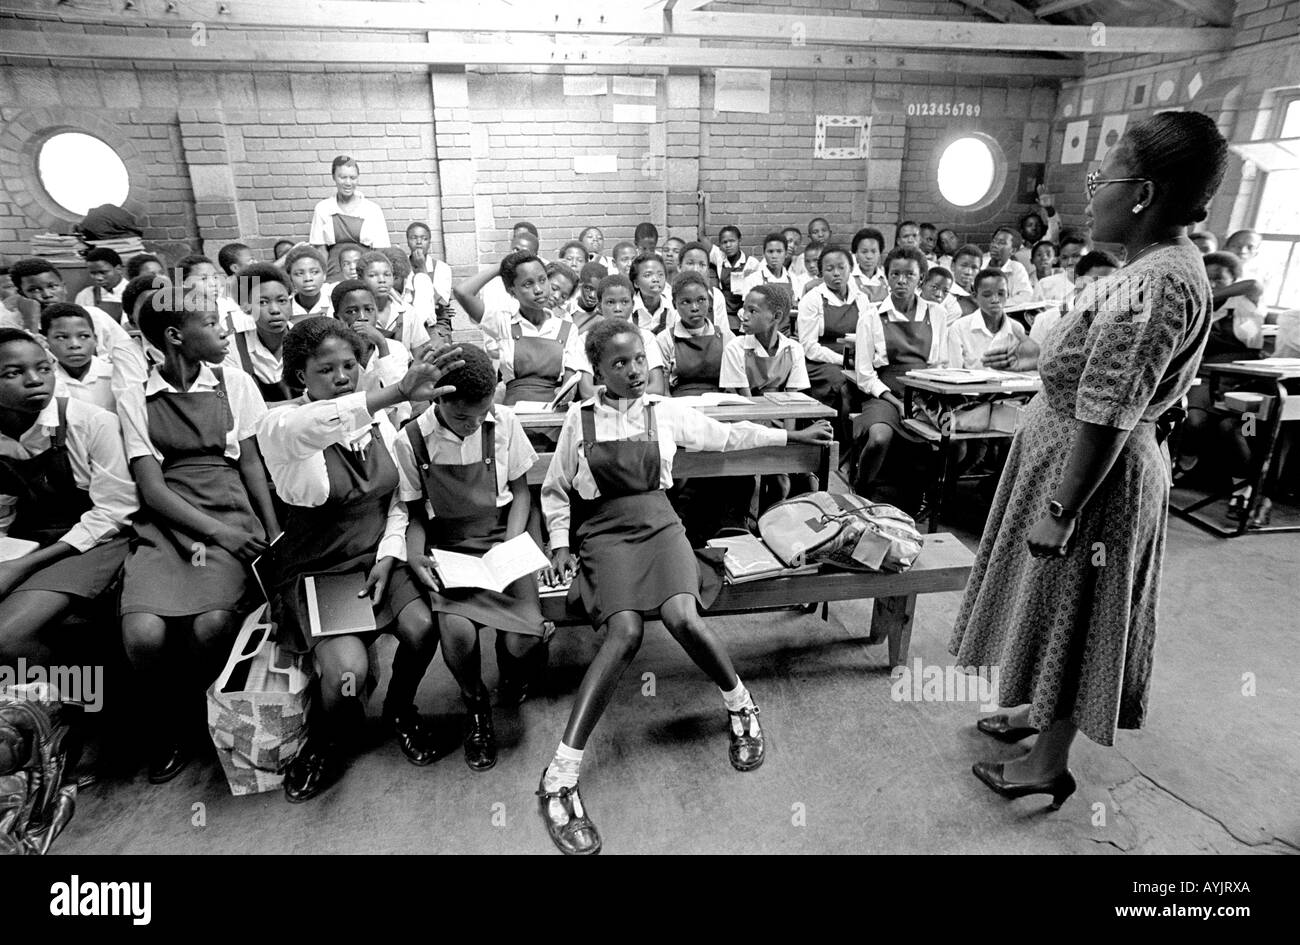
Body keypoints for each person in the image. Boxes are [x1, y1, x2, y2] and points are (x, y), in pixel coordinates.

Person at [952, 111, 1226, 810]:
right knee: (1045, 601)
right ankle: (1034, 711)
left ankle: (1047, 761)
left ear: (1143, 194)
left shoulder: (1158, 279)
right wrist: (1035, 355)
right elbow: (1096, 364)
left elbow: (1110, 409)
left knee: (1076, 612)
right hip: (1067, 463)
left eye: (1105, 176)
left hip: (1094, 483)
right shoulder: (1144, 265)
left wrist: (1060, 509)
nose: (1092, 189)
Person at [537, 318, 833, 855]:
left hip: (660, 525)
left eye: (638, 361)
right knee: (623, 633)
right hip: (604, 531)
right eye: (619, 364)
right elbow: (557, 490)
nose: (633, 372)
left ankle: (741, 706)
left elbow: (730, 434)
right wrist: (560, 542)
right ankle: (561, 772)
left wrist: (794, 436)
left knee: (682, 616)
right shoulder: (578, 422)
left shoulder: (663, 412)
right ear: (597, 370)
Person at [256, 319, 455, 801]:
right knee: (348, 675)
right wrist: (393, 393)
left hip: (378, 556)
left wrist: (390, 556)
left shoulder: (378, 423)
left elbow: (397, 503)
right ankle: (324, 742)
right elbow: (320, 421)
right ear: (301, 376)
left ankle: (400, 709)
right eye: (326, 369)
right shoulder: (281, 427)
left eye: (350, 365)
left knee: (423, 626)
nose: (343, 376)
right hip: (324, 567)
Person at [117, 285, 279, 783]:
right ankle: (172, 725)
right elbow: (152, 488)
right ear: (174, 337)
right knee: (143, 634)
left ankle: (214, 717)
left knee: (211, 625)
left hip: (229, 506)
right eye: (211, 323)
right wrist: (213, 534)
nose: (225, 329)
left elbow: (252, 466)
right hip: (170, 520)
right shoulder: (135, 396)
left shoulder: (236, 383)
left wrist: (272, 537)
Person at [394, 345, 550, 770]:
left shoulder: (504, 423)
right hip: (449, 545)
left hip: (503, 534)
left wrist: (512, 544)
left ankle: (512, 663)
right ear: (438, 399)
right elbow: (414, 514)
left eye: (482, 413)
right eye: (464, 417)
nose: (475, 423)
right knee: (458, 633)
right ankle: (476, 706)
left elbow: (521, 493)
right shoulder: (411, 439)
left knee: (522, 641)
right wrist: (414, 555)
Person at [0, 328, 136, 668]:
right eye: (13, 373)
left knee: (6, 638)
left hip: (93, 542)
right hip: (28, 541)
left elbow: (113, 513)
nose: (35, 380)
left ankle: (80, 705)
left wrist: (20, 566)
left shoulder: (91, 422)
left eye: (43, 368)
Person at [850, 246, 949, 500]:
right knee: (880, 438)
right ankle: (860, 488)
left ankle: (929, 494)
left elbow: (940, 364)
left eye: (909, 275)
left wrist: (926, 400)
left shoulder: (936, 314)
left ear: (921, 278)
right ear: (887, 276)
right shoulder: (871, 316)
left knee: (953, 441)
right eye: (895, 274)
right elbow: (864, 375)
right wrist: (896, 401)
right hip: (886, 394)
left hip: (925, 394)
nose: (901, 281)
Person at [796, 245, 860, 410]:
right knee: (844, 383)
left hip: (856, 359)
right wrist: (844, 361)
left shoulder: (861, 299)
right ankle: (838, 433)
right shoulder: (812, 299)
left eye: (841, 267)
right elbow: (809, 348)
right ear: (821, 272)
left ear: (851, 268)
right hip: (820, 363)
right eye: (829, 269)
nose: (836, 273)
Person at [220, 263, 295, 403]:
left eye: (282, 301)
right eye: (263, 302)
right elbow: (237, 406)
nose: (275, 310)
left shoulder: (310, 340)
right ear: (246, 308)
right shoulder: (232, 347)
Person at [656, 271, 733, 397]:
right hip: (681, 405)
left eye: (701, 300)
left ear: (709, 302)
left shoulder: (725, 336)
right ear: (674, 304)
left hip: (719, 403)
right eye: (686, 302)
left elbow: (734, 385)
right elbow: (664, 392)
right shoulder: (665, 339)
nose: (695, 307)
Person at [308, 155, 391, 267]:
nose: (348, 183)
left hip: (365, 270)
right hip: (333, 270)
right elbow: (320, 251)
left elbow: (381, 250)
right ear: (333, 177)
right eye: (342, 177)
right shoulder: (323, 208)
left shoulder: (372, 209)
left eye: (352, 178)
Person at [1029, 251, 1120, 345]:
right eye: (1096, 281)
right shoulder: (1047, 320)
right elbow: (1033, 357)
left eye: (1111, 283)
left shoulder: (1119, 324)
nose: (1104, 289)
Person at [42, 304, 117, 412]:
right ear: (46, 341)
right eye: (61, 337)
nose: (74, 344)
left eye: (83, 336)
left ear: (95, 339)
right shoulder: (46, 381)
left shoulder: (114, 374)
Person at [947, 269, 1026, 369]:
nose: (995, 300)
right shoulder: (959, 328)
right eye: (987, 295)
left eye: (1001, 294)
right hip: (972, 384)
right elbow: (954, 372)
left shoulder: (1017, 329)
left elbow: (1019, 371)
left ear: (1008, 294)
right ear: (975, 297)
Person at [75, 248, 126, 321]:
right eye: (93, 273)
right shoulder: (85, 295)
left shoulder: (134, 293)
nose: (98, 278)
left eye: (103, 272)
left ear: (118, 269)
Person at [985, 227, 1034, 303]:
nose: (994, 245)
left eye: (1001, 243)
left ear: (1013, 250)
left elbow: (1026, 296)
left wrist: (997, 304)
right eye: (994, 241)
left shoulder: (1016, 268)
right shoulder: (980, 264)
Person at [285, 245, 333, 321]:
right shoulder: (284, 308)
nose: (308, 279)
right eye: (299, 273)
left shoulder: (335, 303)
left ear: (324, 275)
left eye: (314, 272)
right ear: (290, 278)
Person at [629, 253, 672, 334]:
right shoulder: (629, 308)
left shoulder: (672, 308)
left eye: (660, 274)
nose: (656, 279)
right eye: (648, 275)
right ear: (636, 283)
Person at [849, 227, 888, 303]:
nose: (869, 256)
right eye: (864, 252)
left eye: (874, 251)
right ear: (855, 254)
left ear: (880, 253)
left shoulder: (886, 277)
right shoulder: (849, 278)